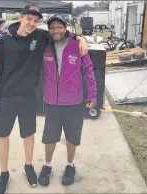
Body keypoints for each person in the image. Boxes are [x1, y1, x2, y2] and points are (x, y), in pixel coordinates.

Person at [0, 4, 88, 193]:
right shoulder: (4, 40)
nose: (32, 23)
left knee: (28, 134)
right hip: (6, 97)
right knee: (3, 135)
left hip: (28, 96)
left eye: (36, 21)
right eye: (29, 19)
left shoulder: (40, 36)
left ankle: (28, 166)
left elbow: (61, 33)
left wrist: (80, 38)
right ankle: (4, 173)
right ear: (21, 17)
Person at [38, 15, 97, 186]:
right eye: (52, 28)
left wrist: (92, 95)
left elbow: (89, 71)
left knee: (72, 136)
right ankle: (47, 165)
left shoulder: (77, 46)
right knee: (50, 136)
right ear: (49, 30)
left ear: (66, 28)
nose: (56, 31)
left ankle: (70, 165)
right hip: (52, 102)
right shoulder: (44, 46)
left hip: (74, 102)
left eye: (59, 27)